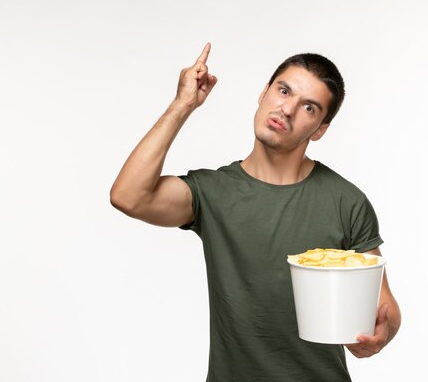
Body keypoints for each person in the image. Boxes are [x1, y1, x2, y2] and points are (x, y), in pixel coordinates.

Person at [110, 43, 401, 382]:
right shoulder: (213, 192)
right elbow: (128, 196)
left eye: (308, 107)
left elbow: (384, 305)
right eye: (283, 90)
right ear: (263, 92)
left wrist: (382, 334)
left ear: (320, 128)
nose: (287, 109)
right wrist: (183, 104)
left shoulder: (346, 201)